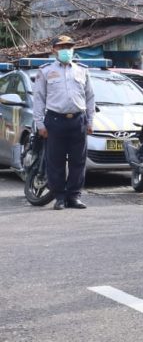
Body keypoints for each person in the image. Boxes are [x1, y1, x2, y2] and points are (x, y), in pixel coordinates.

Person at [32, 34, 94, 210]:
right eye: (61, 47)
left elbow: (90, 97)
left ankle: (74, 196)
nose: (66, 50)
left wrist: (90, 121)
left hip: (78, 120)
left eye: (69, 47)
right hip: (55, 120)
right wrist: (40, 124)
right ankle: (59, 197)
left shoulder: (82, 70)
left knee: (78, 161)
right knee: (56, 161)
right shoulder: (45, 71)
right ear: (54, 50)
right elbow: (39, 99)